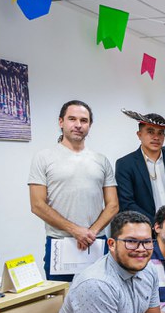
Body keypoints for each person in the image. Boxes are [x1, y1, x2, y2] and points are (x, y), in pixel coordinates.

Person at [28, 100, 118, 281]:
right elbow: (37, 205)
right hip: (60, 243)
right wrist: (76, 230)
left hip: (96, 242)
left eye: (84, 120)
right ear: (61, 122)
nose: (78, 125)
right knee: (63, 301)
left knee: (99, 298)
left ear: (90, 125)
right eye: (72, 119)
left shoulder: (101, 160)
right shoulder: (43, 157)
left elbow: (113, 205)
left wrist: (91, 232)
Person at [115, 111, 165, 223]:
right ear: (139, 135)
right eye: (150, 132)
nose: (156, 137)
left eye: (160, 133)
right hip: (142, 229)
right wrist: (155, 224)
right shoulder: (125, 164)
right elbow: (127, 203)